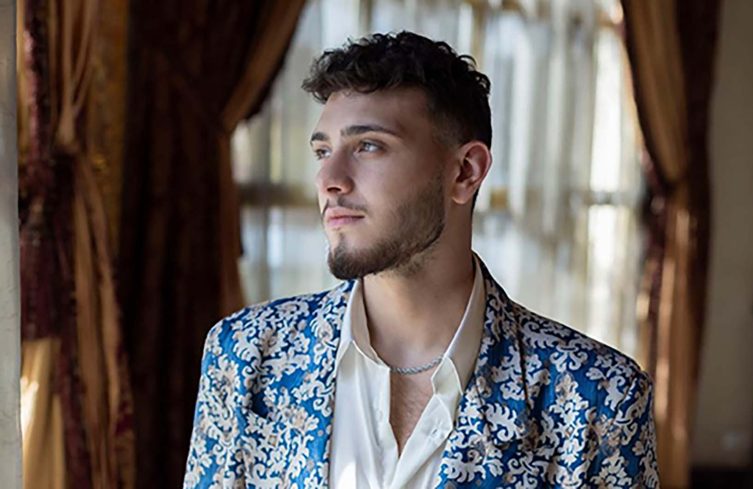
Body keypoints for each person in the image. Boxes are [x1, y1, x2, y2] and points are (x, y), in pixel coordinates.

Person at [184, 31, 658, 488]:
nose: (329, 179)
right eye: (322, 151)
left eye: (369, 146)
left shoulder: (598, 399)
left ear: (465, 172)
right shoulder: (245, 355)